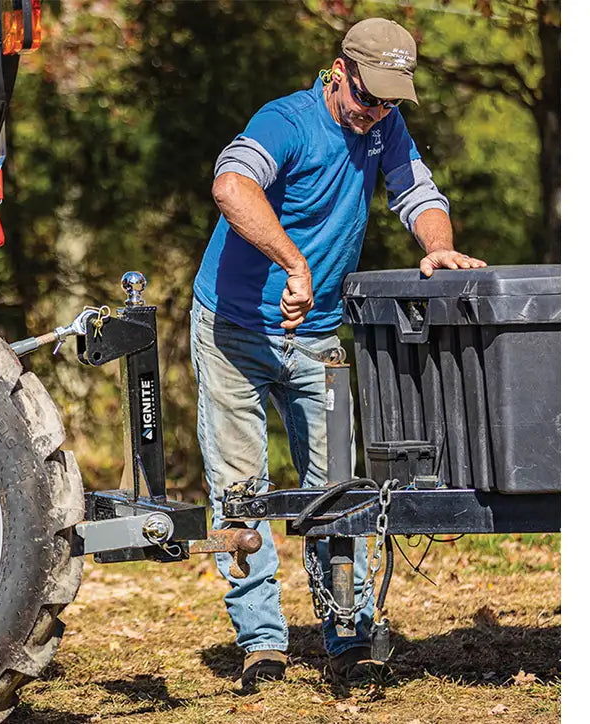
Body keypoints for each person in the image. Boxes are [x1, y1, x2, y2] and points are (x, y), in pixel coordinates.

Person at [188, 18, 486, 688]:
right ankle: (262, 644)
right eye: (367, 95)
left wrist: (434, 243)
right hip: (233, 330)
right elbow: (232, 186)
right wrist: (293, 262)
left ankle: (346, 634)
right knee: (241, 494)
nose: (374, 110)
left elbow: (419, 194)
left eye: (388, 100)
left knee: (338, 493)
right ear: (338, 70)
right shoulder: (286, 121)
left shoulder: (383, 128)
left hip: (320, 337)